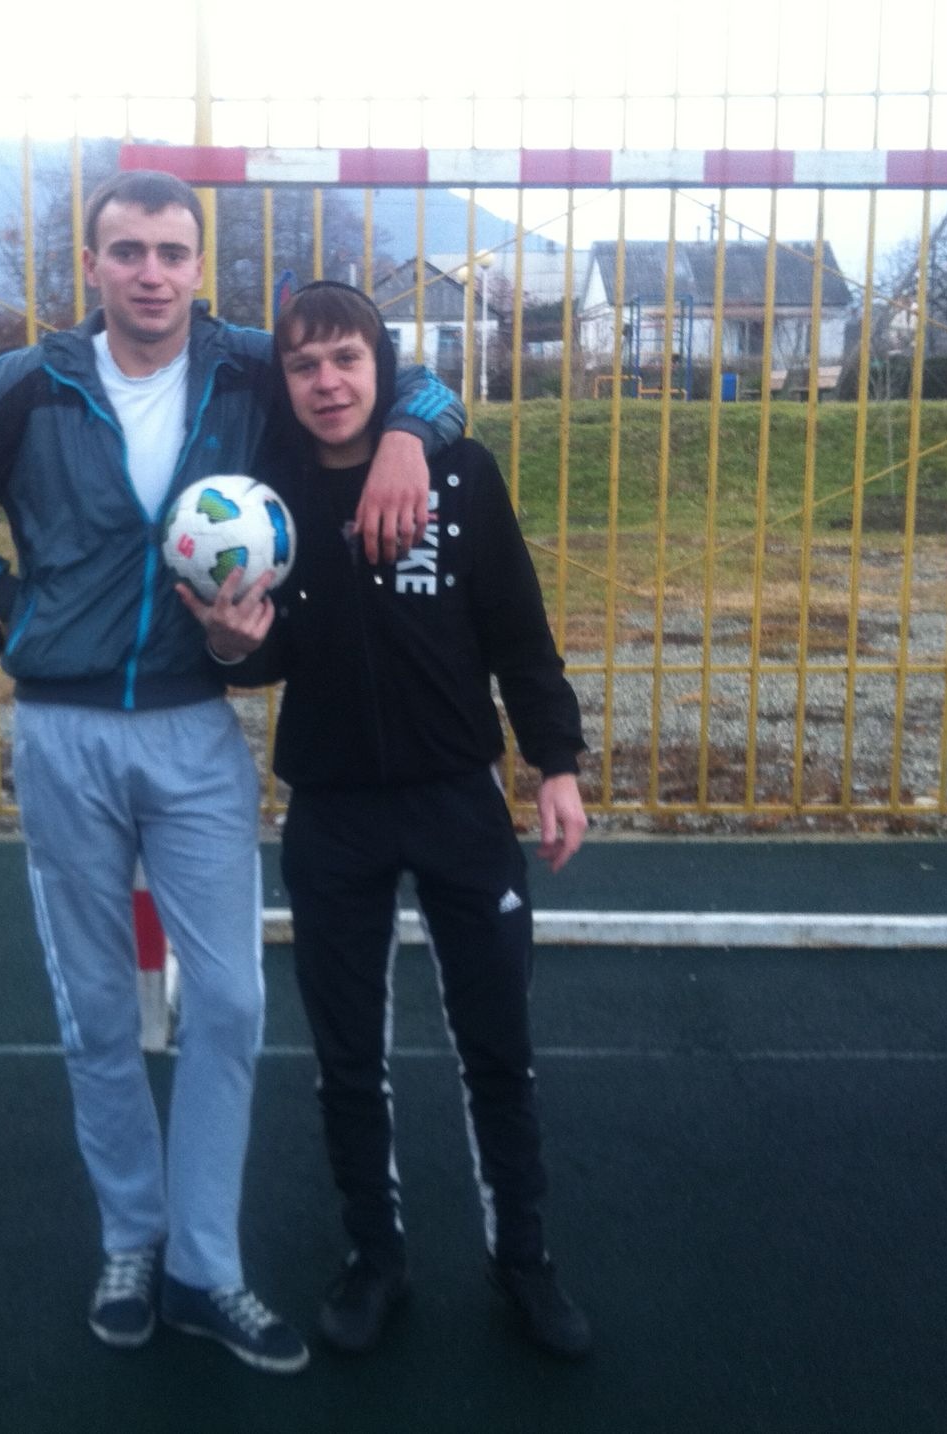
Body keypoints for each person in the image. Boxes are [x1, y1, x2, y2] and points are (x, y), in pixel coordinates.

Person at [0, 174, 463, 1376]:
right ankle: (132, 1241)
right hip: (64, 733)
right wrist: (7, 595)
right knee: (96, 1010)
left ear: (197, 266)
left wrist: (404, 439)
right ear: (92, 264)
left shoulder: (248, 368)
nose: (151, 272)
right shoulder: (27, 385)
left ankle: (205, 1268)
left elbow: (415, 384)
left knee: (228, 1004)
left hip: (192, 731)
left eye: (172, 252)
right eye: (127, 250)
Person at [184, 281, 594, 1360]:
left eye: (347, 360)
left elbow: (517, 629)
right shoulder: (263, 498)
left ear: (383, 368)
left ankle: (524, 1260)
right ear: (285, 380)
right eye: (304, 365)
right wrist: (228, 643)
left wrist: (556, 762)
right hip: (333, 811)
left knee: (496, 1044)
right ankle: (375, 1257)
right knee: (347, 1054)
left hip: (459, 799)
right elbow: (262, 656)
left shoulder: (458, 472)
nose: (327, 383)